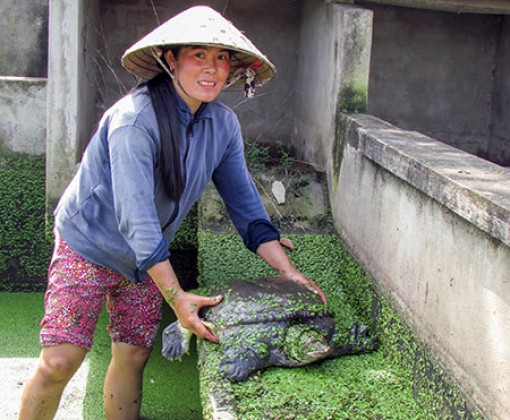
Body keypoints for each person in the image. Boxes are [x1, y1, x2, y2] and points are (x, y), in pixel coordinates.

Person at [18, 6, 327, 419]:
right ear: (170, 59)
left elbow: (245, 206)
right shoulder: (134, 121)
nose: (212, 68)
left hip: (145, 259)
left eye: (221, 58)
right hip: (88, 245)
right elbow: (136, 218)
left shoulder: (222, 125)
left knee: (133, 354)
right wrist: (177, 296)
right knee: (61, 360)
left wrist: (287, 272)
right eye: (198, 55)